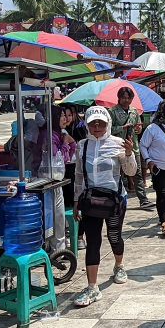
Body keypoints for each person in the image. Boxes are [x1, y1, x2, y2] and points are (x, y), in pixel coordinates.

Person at [73, 106, 138, 307]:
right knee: (93, 242)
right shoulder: (82, 146)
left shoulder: (118, 143)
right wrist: (76, 201)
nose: (97, 126)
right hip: (91, 201)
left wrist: (129, 154)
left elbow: (131, 171)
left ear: (108, 124)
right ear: (87, 125)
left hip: (115, 200)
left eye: (101, 123)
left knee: (114, 235)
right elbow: (78, 176)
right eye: (93, 123)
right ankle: (92, 287)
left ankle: (119, 265)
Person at [110, 87, 155, 209]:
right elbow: (109, 130)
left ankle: (143, 200)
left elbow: (139, 128)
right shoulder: (112, 111)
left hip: (133, 147)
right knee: (117, 175)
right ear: (119, 98)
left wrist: (138, 129)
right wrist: (122, 128)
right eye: (124, 97)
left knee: (137, 174)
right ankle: (115, 199)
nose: (126, 100)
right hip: (118, 148)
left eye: (129, 98)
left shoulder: (134, 111)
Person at [141, 99, 165, 236]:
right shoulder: (153, 128)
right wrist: (149, 160)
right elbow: (143, 145)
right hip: (158, 167)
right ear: (162, 111)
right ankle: (163, 221)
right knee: (162, 193)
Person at [40, 105, 75, 252]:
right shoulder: (49, 136)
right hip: (48, 182)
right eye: (61, 116)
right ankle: (57, 250)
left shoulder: (58, 134)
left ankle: (58, 249)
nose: (65, 119)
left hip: (55, 182)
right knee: (55, 219)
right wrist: (66, 144)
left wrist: (69, 143)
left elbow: (68, 157)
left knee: (58, 219)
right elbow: (56, 160)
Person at [62, 104, 87, 248]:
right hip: (62, 170)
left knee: (78, 201)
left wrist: (72, 142)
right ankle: (68, 232)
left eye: (69, 115)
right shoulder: (58, 131)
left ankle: (79, 236)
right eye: (63, 116)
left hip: (75, 168)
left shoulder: (80, 128)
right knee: (67, 203)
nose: (67, 118)